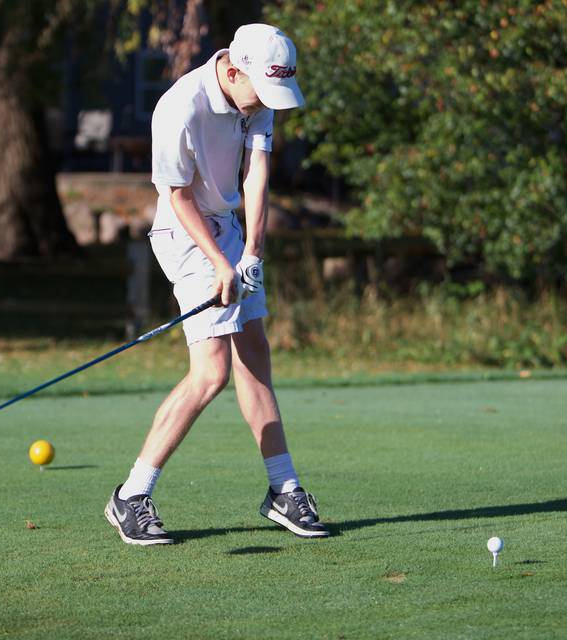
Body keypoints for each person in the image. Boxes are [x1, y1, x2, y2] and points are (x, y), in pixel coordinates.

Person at [104, 23, 327, 545]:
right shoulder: (179, 107)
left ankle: (283, 489)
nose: (263, 105)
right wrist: (220, 264)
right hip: (185, 234)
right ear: (231, 70)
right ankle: (131, 496)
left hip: (228, 230)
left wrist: (251, 252)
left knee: (255, 355)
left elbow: (256, 174)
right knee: (211, 373)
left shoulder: (258, 93)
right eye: (259, 94)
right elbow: (177, 198)